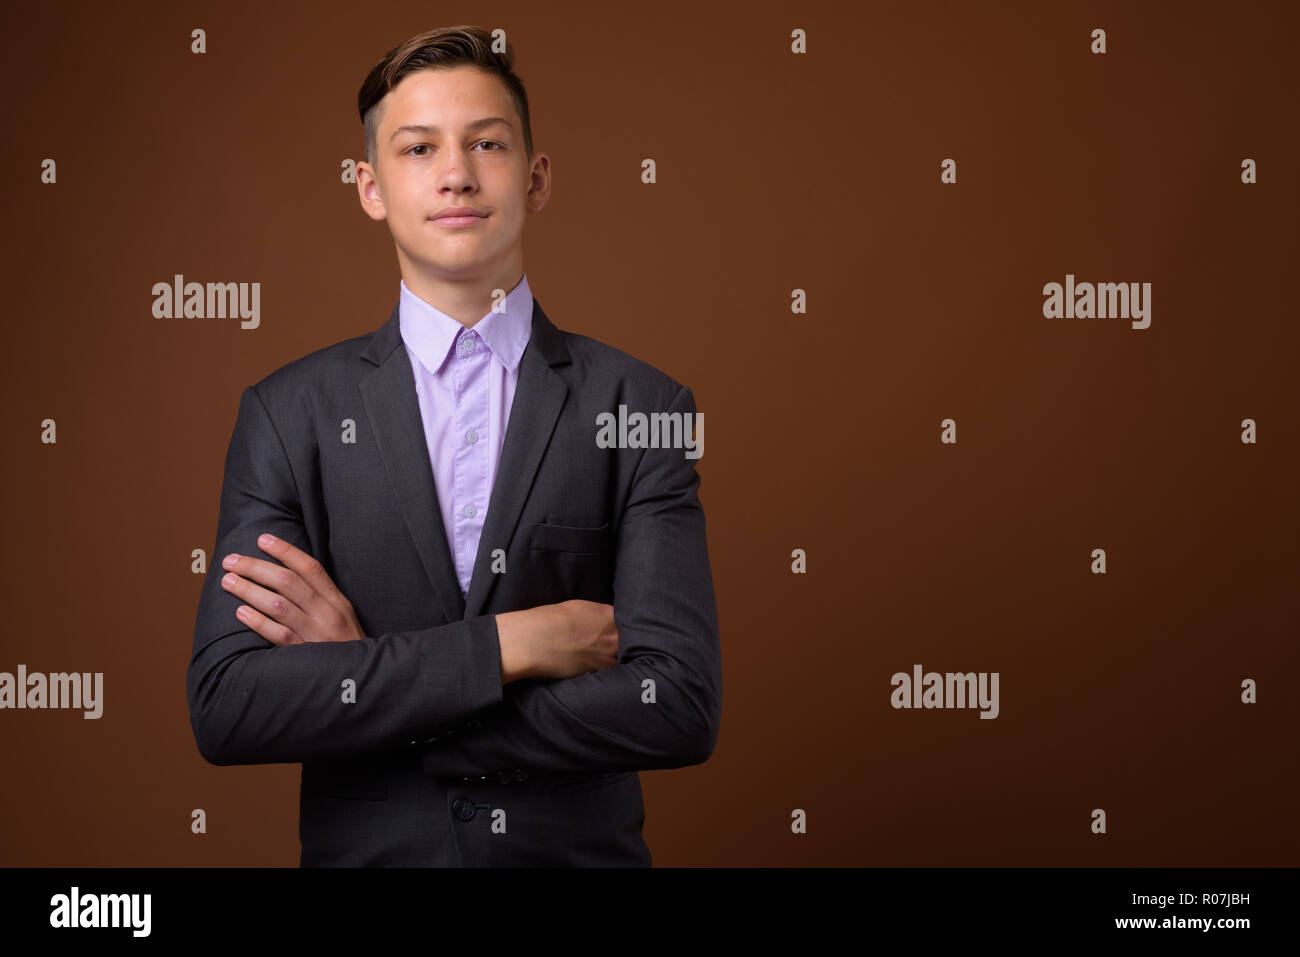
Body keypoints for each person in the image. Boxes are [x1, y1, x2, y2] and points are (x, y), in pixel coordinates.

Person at [186, 24, 721, 867]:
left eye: (488, 143)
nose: (456, 173)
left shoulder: (643, 405)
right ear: (370, 187)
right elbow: (230, 705)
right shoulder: (289, 414)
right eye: (417, 148)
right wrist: (518, 645)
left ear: (536, 177)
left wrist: (368, 677)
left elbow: (678, 701)